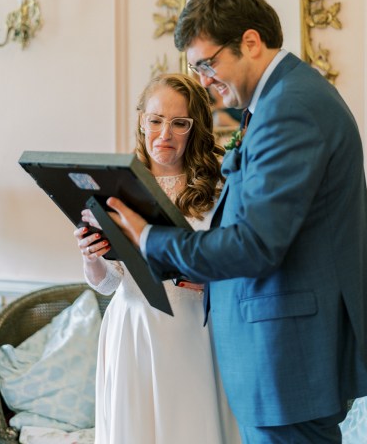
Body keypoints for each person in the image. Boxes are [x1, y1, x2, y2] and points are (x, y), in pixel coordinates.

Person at [104, 0, 367, 444]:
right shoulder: (281, 101)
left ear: (250, 42)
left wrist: (149, 238)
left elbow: (256, 242)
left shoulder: (290, 108)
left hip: (287, 354)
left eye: (207, 64)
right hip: (281, 354)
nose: (204, 79)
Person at [74, 72, 241, 444]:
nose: (164, 135)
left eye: (179, 123)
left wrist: (213, 280)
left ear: (194, 128)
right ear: (141, 121)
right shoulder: (116, 187)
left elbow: (240, 262)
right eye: (155, 121)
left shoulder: (218, 189)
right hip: (132, 330)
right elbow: (111, 282)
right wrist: (92, 259)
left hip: (196, 335)